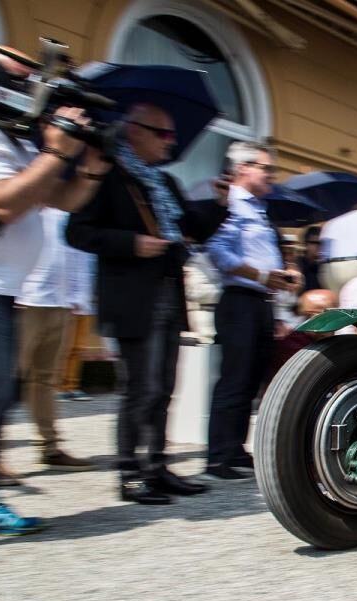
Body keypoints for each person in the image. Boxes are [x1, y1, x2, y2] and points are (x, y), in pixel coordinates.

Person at [0, 49, 109, 558]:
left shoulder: (0, 137)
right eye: (19, 75)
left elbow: (59, 199)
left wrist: (91, 167)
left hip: (0, 288)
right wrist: (56, 149)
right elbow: (4, 203)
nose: (31, 83)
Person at [66, 102, 229, 506]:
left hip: (168, 292)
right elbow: (78, 232)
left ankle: (156, 466)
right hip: (132, 296)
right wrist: (132, 244)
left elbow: (194, 230)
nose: (169, 143)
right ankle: (128, 471)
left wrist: (220, 205)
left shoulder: (165, 183)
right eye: (162, 133)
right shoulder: (108, 177)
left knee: (164, 388)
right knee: (141, 388)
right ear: (134, 131)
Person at [204, 142, 303, 481]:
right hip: (239, 300)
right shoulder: (230, 203)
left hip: (260, 302)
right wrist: (262, 275)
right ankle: (217, 456)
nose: (271, 176)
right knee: (234, 380)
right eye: (266, 168)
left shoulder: (258, 208)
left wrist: (282, 274)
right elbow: (217, 251)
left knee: (249, 381)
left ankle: (234, 449)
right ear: (243, 168)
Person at [14, 207, 97, 470]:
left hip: (59, 303)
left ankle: (48, 447)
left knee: (47, 379)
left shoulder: (66, 209)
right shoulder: (28, 205)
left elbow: (78, 255)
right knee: (6, 380)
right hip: (23, 302)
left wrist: (78, 297)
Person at [57, 235, 99, 401]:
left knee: (79, 347)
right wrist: (71, 296)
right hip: (69, 300)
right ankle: (59, 386)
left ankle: (72, 385)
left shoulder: (90, 249)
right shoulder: (70, 241)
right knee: (64, 346)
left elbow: (91, 273)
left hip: (86, 300)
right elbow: (69, 270)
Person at [297, 225, 321, 291]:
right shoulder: (298, 265)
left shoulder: (323, 266)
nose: (319, 246)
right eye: (315, 243)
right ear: (305, 244)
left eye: (322, 243)